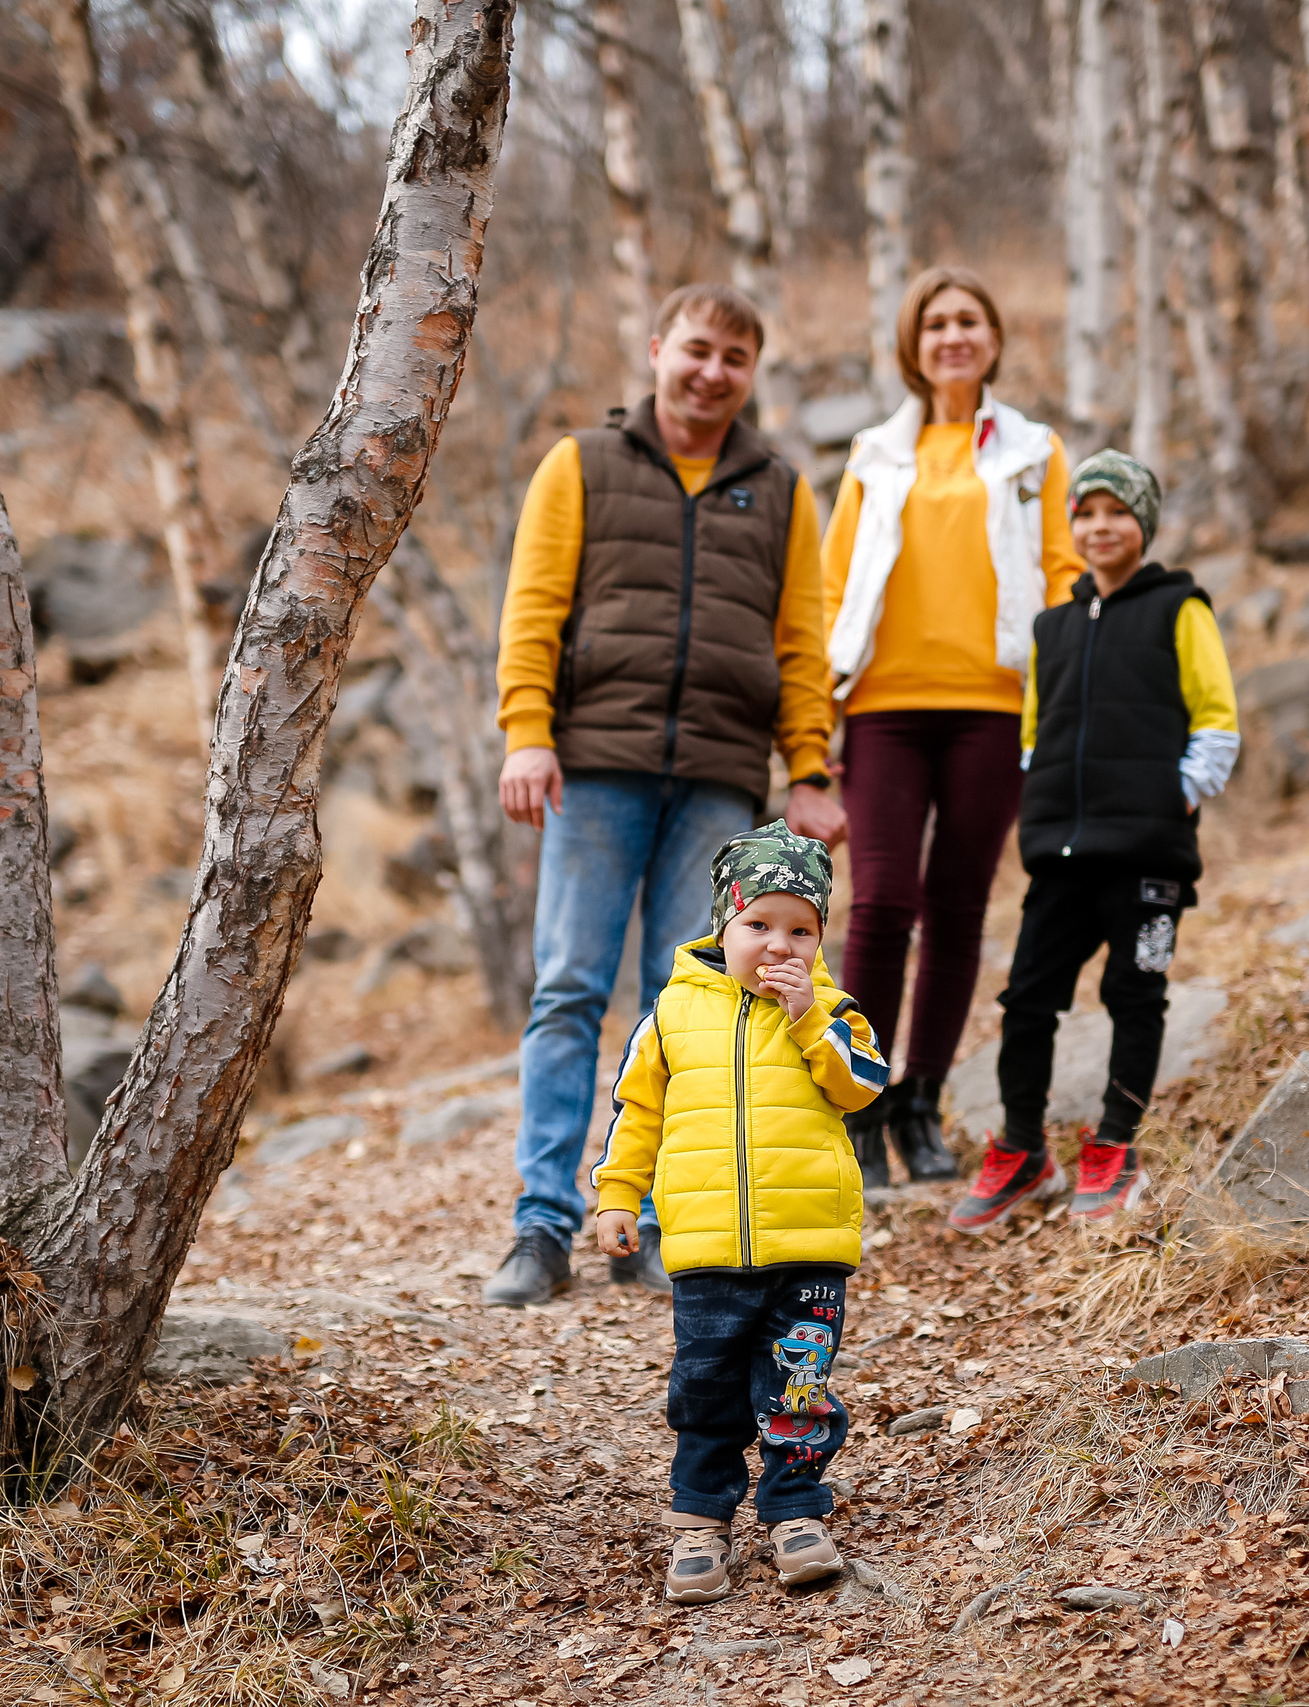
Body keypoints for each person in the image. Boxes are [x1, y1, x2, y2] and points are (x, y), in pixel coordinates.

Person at [485, 284, 846, 1309]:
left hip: (721, 776)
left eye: (735, 358)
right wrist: (527, 733)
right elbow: (534, 608)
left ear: (750, 373)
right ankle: (541, 1226)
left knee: (682, 1002)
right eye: (696, 349)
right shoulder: (582, 465)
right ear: (655, 351)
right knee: (567, 989)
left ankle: (643, 1223)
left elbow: (802, 642)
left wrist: (808, 768)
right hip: (595, 763)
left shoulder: (780, 488)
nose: (711, 372)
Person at [819, 267, 1085, 1189]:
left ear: (994, 337)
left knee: (959, 908)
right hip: (884, 706)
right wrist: (819, 716)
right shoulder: (873, 454)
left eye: (970, 319)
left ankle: (921, 1102)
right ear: (913, 344)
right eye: (936, 324)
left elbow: (1062, 572)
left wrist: (1063, 702)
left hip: (994, 705)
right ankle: (860, 1104)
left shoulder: (1034, 451)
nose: (953, 336)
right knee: (884, 900)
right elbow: (833, 582)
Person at [591, 821, 887, 1603]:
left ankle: (795, 1510)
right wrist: (619, 1195)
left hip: (810, 1244)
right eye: (758, 924)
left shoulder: (833, 1011)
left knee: (798, 1384)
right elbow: (636, 1113)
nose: (777, 945)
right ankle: (700, 1519)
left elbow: (862, 1086)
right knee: (707, 1383)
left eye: (800, 929)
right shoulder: (673, 1012)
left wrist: (807, 1021)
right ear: (722, 926)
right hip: (707, 1247)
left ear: (821, 938)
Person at [948, 450, 1239, 1232]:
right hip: (1063, 856)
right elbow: (1036, 736)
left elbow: (1215, 720)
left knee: (1133, 994)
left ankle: (1116, 1143)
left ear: (1143, 523)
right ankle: (1020, 1146)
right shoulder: (1054, 626)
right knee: (1027, 999)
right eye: (1087, 512)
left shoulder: (1182, 609)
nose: (1101, 526)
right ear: (1071, 523)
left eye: (1119, 512)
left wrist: (1168, 799)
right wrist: (1042, 805)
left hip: (1147, 856)